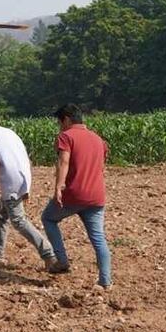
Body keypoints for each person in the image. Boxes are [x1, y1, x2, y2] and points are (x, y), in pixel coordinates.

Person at [0, 110, 57, 270]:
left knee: (18, 221)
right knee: (0, 211)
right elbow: (26, 158)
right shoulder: (9, 132)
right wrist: (26, 186)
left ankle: (49, 255)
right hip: (22, 178)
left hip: (11, 183)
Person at [41, 104, 112, 288]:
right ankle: (105, 281)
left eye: (60, 122)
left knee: (48, 218)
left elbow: (63, 161)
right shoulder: (98, 139)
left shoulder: (66, 136)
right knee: (98, 238)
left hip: (73, 194)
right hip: (96, 196)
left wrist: (58, 186)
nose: (59, 126)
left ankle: (62, 260)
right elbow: (102, 163)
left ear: (66, 119)